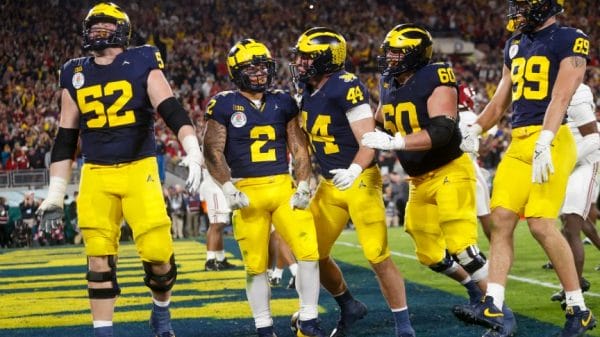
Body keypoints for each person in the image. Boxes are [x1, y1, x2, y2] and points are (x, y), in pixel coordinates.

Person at [35, 3, 203, 337]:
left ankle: (161, 312)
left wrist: (193, 150)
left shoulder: (142, 60)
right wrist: (55, 193)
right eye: (93, 25)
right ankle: (103, 332)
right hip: (96, 172)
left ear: (122, 30)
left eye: (105, 25)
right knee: (98, 257)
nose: (97, 30)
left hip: (139, 168)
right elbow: (66, 137)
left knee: (158, 255)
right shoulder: (74, 71)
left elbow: (171, 110)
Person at [454, 1, 595, 335]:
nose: (515, 12)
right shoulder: (515, 43)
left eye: (522, 5)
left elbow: (561, 96)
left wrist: (545, 139)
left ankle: (579, 308)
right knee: (501, 219)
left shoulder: (570, 38)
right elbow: (502, 98)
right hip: (519, 142)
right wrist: (476, 128)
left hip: (554, 140)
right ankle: (494, 305)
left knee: (541, 225)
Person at [361, 24, 505, 336]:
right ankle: (473, 289)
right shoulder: (388, 81)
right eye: (389, 50)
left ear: (415, 55)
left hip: (450, 169)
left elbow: (442, 130)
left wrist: (397, 143)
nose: (389, 57)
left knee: (462, 247)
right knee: (428, 252)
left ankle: (501, 312)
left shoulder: (436, 75)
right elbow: (379, 121)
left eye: (397, 51)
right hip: (418, 179)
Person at [290, 27, 415, 337]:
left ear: (326, 59)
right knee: (310, 254)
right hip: (329, 184)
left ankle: (404, 327)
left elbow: (369, 140)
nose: (300, 63)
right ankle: (348, 304)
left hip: (359, 180)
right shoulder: (308, 90)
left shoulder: (346, 86)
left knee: (377, 255)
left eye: (307, 58)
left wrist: (356, 171)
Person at [203, 38, 324, 337]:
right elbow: (212, 151)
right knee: (255, 265)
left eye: (262, 66)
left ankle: (308, 320)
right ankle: (264, 326)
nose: (258, 73)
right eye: (251, 67)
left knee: (309, 252)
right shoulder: (223, 103)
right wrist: (228, 188)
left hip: (283, 186)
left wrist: (304, 184)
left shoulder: (283, 100)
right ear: (236, 71)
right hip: (247, 191)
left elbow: (299, 148)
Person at [549, 83, 599, 307]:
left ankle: (574, 292)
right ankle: (573, 284)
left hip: (585, 161)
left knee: (571, 226)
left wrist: (566, 162)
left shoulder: (576, 90)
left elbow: (594, 138)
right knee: (565, 226)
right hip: (566, 163)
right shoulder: (546, 88)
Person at [457, 84, 494, 240]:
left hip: (449, 168)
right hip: (469, 166)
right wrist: (491, 135)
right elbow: (484, 150)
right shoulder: (472, 117)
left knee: (457, 216)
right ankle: (498, 249)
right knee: (484, 212)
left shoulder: (448, 115)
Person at [199, 167, 236, 271]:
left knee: (221, 224)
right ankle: (209, 261)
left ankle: (221, 259)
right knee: (216, 224)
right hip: (213, 186)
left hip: (220, 186)